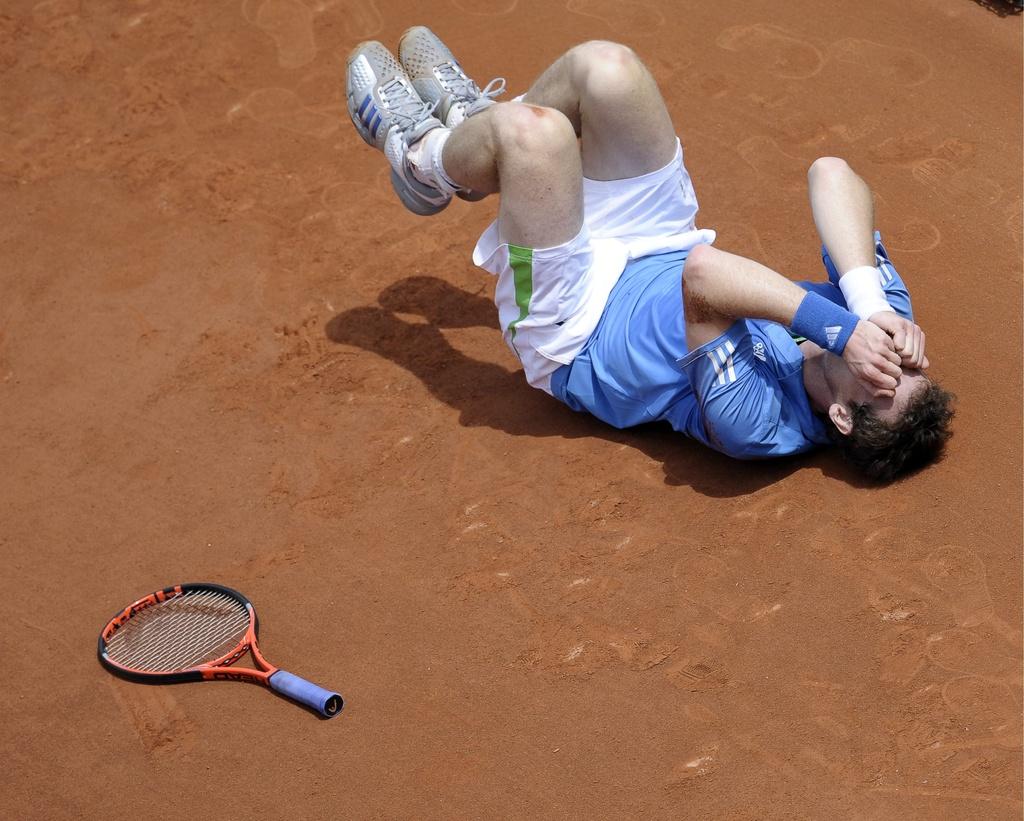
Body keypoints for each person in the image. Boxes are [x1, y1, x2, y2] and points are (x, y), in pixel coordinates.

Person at [344, 28, 954, 481]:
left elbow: (704, 277)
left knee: (537, 135)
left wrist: (841, 327)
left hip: (568, 322)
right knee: (607, 69)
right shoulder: (876, 330)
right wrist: (870, 304)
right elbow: (832, 174)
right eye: (909, 367)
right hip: (655, 240)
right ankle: (471, 154)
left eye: (883, 382)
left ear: (844, 417)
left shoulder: (759, 425)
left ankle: (425, 154)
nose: (891, 360)